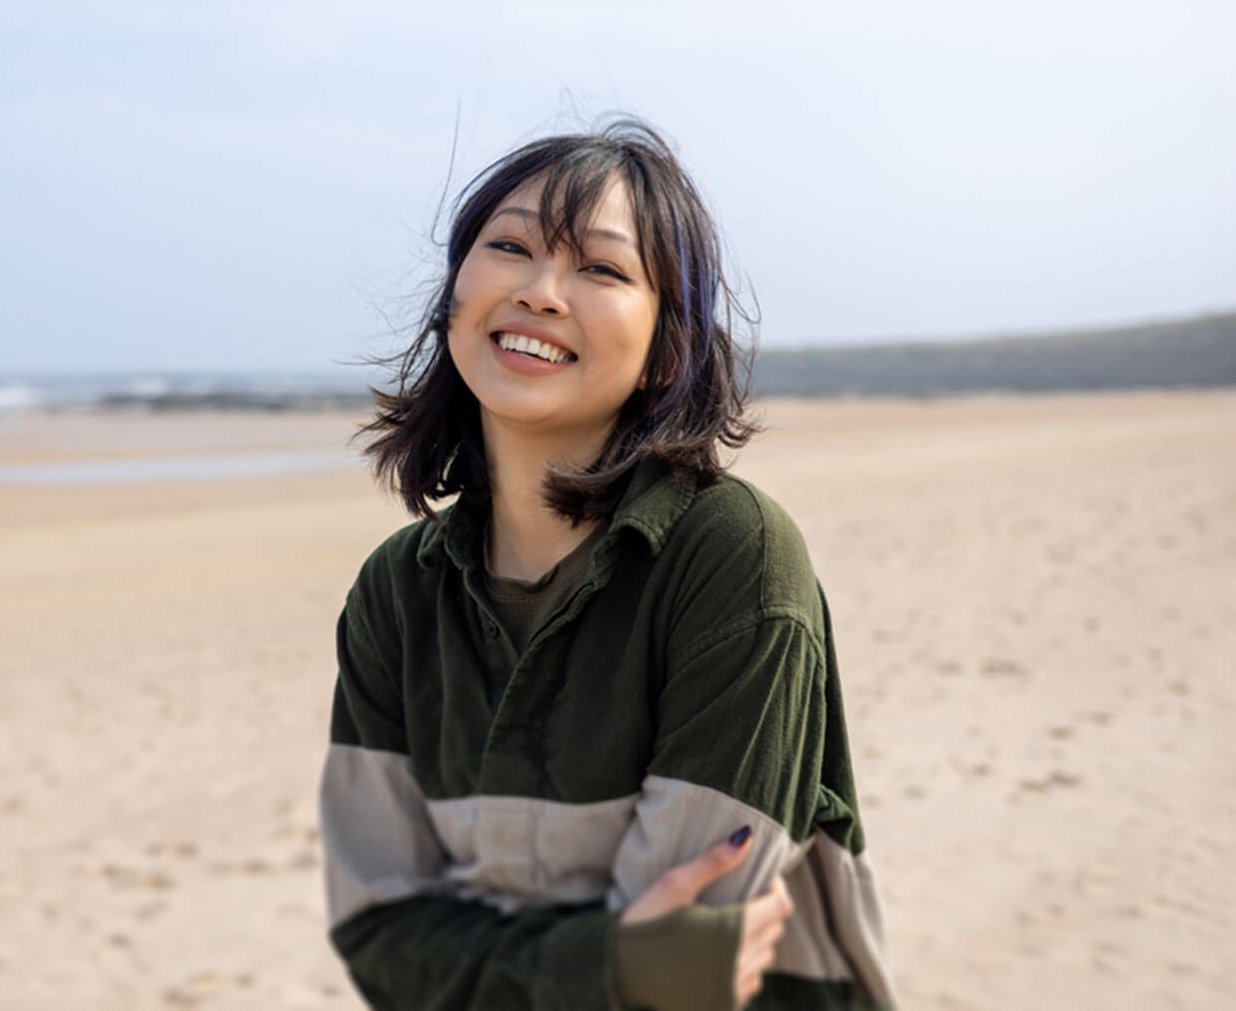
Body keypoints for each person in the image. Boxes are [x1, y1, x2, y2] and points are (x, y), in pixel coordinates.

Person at [320, 119, 895, 1010]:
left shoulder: (732, 556)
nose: (540, 293)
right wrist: (611, 965)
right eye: (510, 247)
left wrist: (553, 964)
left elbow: (691, 949)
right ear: (454, 295)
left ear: (669, 345)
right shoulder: (396, 593)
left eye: (601, 268)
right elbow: (378, 932)